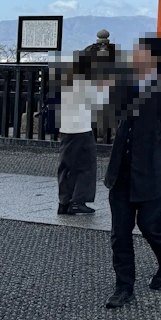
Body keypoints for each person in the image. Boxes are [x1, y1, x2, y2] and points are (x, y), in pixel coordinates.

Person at [103, 37, 161, 309]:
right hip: (122, 172)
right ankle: (124, 286)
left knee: (150, 226)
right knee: (120, 233)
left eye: (141, 53)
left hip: (151, 171)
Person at [57, 51, 110, 215]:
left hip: (67, 127)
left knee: (67, 165)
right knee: (86, 165)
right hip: (81, 127)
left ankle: (64, 201)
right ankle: (78, 200)